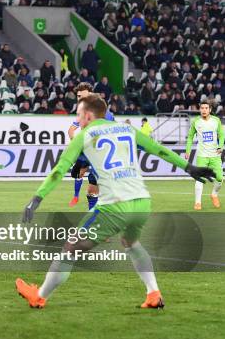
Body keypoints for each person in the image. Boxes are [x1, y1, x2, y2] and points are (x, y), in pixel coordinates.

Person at [16, 94, 215, 309]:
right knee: (131, 243)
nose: (78, 118)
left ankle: (39, 297)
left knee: (70, 247)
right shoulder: (127, 129)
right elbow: (159, 150)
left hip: (114, 206)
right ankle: (153, 293)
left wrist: (37, 198)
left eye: (79, 114)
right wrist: (189, 168)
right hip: (141, 203)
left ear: (89, 115)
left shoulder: (84, 135)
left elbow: (59, 170)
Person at [67, 82, 115, 209]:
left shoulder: (103, 112)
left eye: (84, 96)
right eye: (78, 96)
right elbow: (71, 130)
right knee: (79, 174)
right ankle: (77, 197)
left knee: (93, 183)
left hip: (101, 151)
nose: (81, 99)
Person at [185, 101, 224, 210]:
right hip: (202, 155)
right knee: (199, 178)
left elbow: (221, 135)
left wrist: (220, 146)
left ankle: (214, 194)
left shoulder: (216, 121)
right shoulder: (196, 122)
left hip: (215, 155)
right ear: (200, 109)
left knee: (220, 178)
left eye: (206, 108)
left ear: (210, 110)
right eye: (202, 108)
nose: (204, 110)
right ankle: (198, 202)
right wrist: (188, 150)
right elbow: (190, 137)